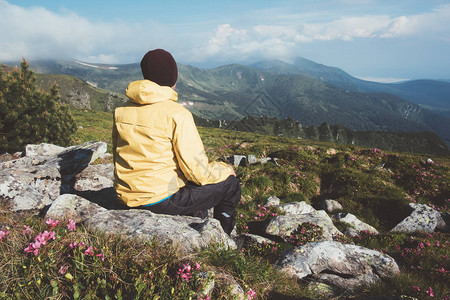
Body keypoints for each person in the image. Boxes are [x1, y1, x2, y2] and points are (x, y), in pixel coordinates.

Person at [112, 49, 240, 235]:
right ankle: (223, 238)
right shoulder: (178, 114)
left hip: (125, 196)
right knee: (230, 185)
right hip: (160, 200)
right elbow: (198, 173)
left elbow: (118, 154)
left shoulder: (121, 110)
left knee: (190, 185)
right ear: (173, 78)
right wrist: (224, 169)